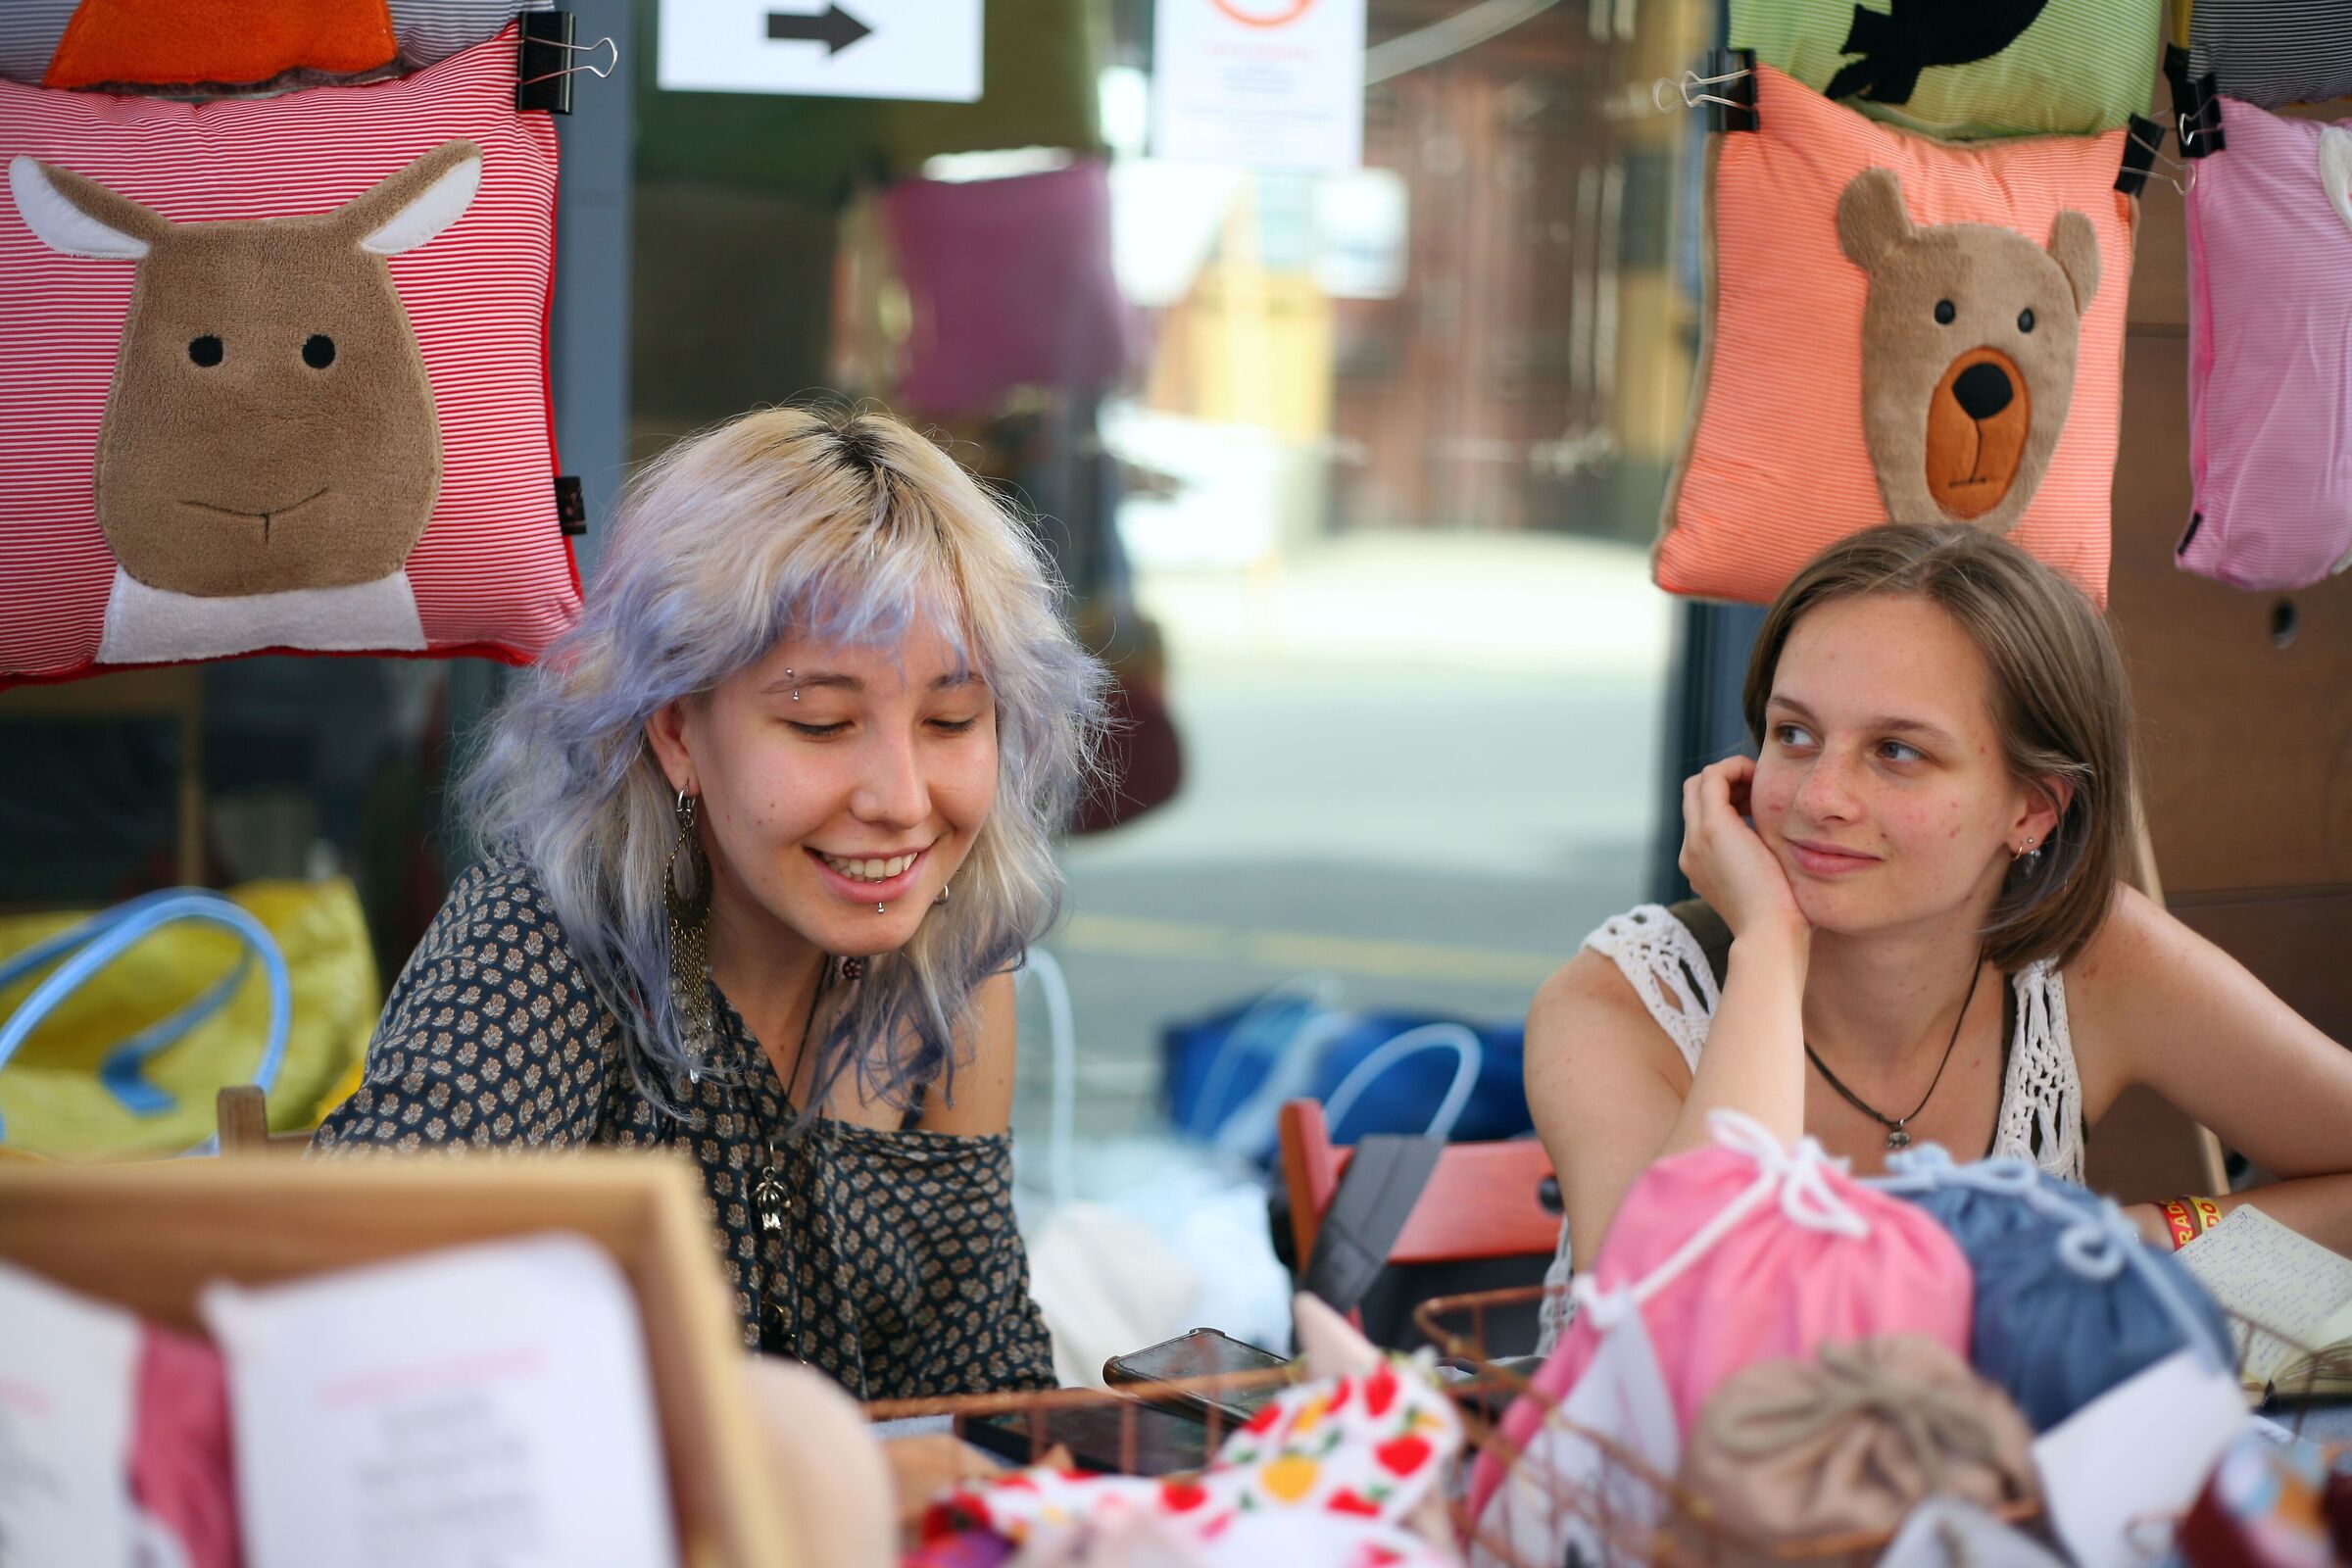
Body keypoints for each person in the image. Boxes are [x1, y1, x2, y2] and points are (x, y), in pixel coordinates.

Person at [315, 406, 1104, 1398]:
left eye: (953, 718)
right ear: (678, 731)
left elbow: (980, 1364)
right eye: (821, 723)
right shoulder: (549, 939)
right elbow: (352, 1313)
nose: (902, 801)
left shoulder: (950, 956)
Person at [1527, 523, 2352, 1346]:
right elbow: (1667, 1336)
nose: (1820, 796)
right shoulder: (1617, 1000)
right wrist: (1770, 948)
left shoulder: (2096, 959)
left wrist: (2106, 1248)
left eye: (1896, 750)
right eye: (1794, 735)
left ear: (2032, 808)